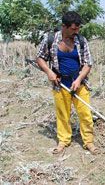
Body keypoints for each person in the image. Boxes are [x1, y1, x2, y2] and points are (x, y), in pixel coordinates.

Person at [36, 11, 98, 154]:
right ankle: (63, 140)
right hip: (60, 84)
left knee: (85, 114)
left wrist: (78, 79)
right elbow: (40, 58)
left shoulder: (81, 41)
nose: (76, 32)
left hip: (79, 83)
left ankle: (88, 141)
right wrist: (49, 72)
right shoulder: (50, 39)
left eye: (78, 29)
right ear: (64, 26)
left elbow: (88, 63)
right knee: (63, 114)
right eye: (73, 29)